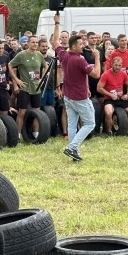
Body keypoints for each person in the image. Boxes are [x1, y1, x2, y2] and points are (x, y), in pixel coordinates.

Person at [51, 13, 101, 161]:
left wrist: (57, 23)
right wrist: (97, 57)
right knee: (90, 123)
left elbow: (55, 41)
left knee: (73, 124)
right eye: (80, 44)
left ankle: (74, 152)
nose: (83, 45)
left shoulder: (64, 55)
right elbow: (96, 74)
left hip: (68, 96)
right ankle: (72, 147)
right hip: (80, 97)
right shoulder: (80, 60)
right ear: (74, 46)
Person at [9, 35, 47, 139]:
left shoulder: (39, 55)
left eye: (36, 42)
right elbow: (10, 65)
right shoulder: (21, 55)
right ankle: (17, 135)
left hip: (36, 88)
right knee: (22, 112)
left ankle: (35, 134)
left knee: (37, 111)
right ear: (28, 43)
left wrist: (42, 79)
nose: (35, 44)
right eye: (33, 42)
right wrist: (17, 80)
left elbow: (45, 66)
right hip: (24, 88)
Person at [97, 56, 128, 134]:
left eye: (119, 65)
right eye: (116, 65)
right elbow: (99, 88)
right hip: (109, 99)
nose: (117, 67)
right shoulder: (106, 74)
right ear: (112, 64)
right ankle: (109, 131)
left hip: (121, 98)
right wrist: (110, 95)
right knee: (108, 112)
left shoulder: (123, 73)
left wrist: (127, 94)